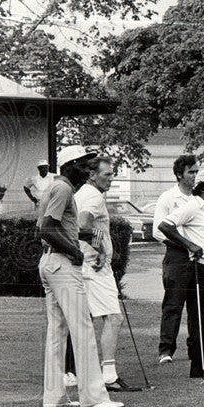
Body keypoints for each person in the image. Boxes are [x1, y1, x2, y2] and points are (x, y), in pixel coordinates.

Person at [37, 145, 124, 407]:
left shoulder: (55, 187)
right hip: (62, 264)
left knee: (57, 331)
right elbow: (46, 228)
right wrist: (74, 250)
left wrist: (81, 242)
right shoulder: (63, 188)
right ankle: (95, 397)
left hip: (49, 262)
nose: (87, 170)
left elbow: (46, 228)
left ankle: (54, 397)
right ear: (70, 165)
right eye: (83, 165)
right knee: (82, 329)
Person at [158, 168, 204, 379]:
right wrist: (189, 244)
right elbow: (165, 225)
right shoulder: (193, 206)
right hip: (202, 269)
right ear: (202, 188)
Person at [75, 155, 135, 392]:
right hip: (95, 267)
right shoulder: (92, 195)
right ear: (92, 175)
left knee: (87, 320)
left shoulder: (81, 193)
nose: (111, 179)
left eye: (112, 174)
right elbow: (82, 224)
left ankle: (85, 373)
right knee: (113, 317)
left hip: (86, 264)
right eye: (107, 174)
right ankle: (108, 375)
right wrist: (100, 248)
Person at [152, 155, 199, 364]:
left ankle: (195, 349)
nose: (194, 176)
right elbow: (158, 231)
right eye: (191, 172)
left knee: (196, 305)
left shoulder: (198, 199)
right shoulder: (168, 198)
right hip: (177, 256)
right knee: (173, 304)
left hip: (199, 256)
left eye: (196, 172)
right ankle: (166, 350)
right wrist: (184, 244)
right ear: (179, 175)